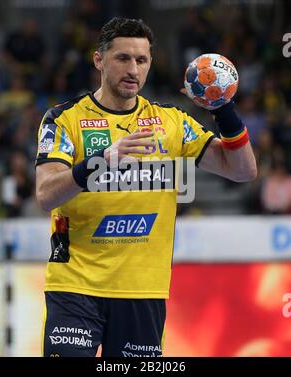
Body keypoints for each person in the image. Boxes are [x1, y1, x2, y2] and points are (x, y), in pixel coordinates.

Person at [35, 17, 257, 357]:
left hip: (143, 290)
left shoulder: (171, 121)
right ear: (99, 60)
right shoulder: (64, 119)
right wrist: (100, 160)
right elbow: (46, 195)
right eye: (122, 58)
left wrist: (222, 108)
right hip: (75, 285)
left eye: (141, 60)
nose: (133, 69)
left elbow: (242, 170)